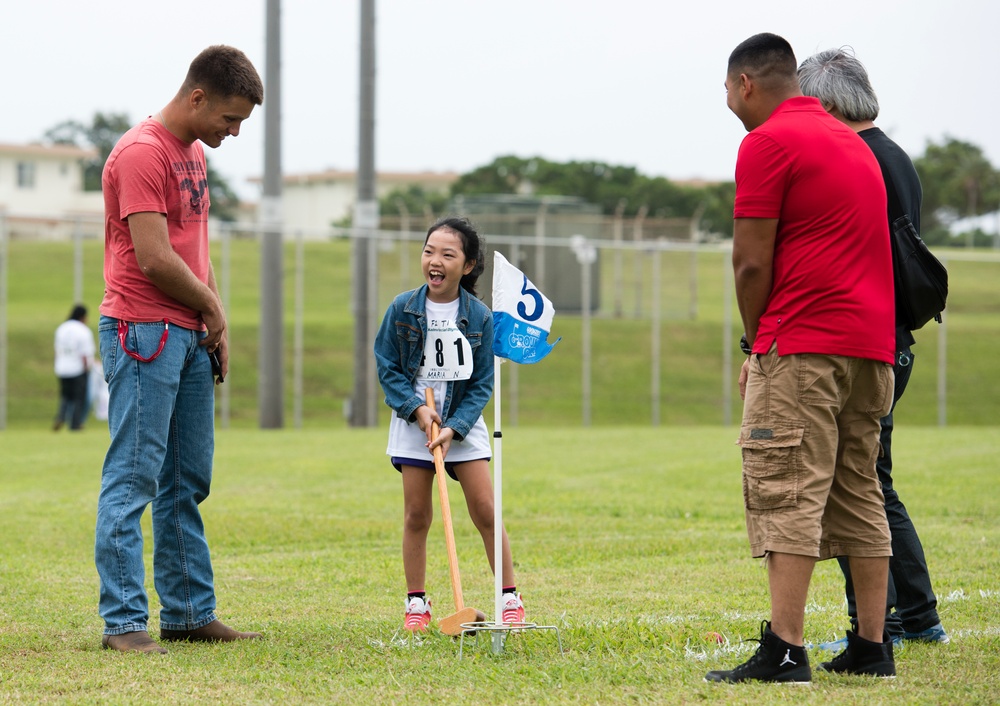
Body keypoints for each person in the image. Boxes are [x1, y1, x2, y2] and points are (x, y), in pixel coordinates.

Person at [705, 33, 897, 684]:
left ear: (747, 84)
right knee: (858, 488)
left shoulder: (767, 142)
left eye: (726, 87)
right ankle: (872, 646)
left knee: (787, 483)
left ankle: (784, 649)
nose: (727, 99)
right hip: (872, 348)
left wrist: (758, 343)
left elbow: (751, 259)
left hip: (804, 343)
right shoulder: (853, 141)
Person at [95, 45, 264, 654]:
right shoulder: (142, 153)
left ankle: (190, 612)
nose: (233, 131)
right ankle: (123, 623)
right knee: (133, 478)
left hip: (188, 334)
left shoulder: (192, 152)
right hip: (143, 332)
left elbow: (194, 250)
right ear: (197, 98)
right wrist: (212, 308)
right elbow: (154, 257)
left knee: (186, 480)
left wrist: (215, 324)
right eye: (229, 118)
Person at [797, 48, 949, 649]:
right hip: (891, 337)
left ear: (829, 103)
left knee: (856, 485)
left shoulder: (857, 156)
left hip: (867, 340)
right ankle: (916, 616)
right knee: (869, 479)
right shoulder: (894, 155)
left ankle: (890, 620)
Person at [374, 216, 525, 632]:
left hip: (462, 422)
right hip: (415, 423)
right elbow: (387, 368)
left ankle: (509, 597)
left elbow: (481, 383)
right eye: (428, 251)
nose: (434, 261)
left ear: (469, 265)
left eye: (447, 254)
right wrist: (416, 410)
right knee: (416, 515)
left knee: (485, 509)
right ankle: (416, 604)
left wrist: (455, 426)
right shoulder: (401, 307)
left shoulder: (480, 317)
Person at [53, 304, 95, 431]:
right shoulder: (83, 330)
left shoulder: (62, 328)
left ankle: (60, 417)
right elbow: (85, 354)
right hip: (77, 369)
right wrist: (86, 368)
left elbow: (57, 349)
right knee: (78, 398)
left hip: (62, 368)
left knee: (65, 396)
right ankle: (75, 424)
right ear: (83, 316)